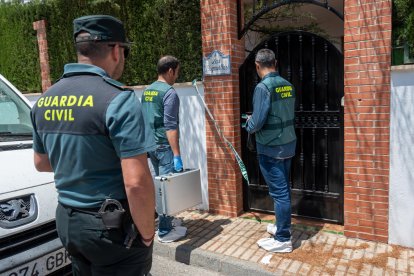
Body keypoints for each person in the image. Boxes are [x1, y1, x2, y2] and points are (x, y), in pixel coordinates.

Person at [31, 15, 156, 275]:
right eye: (125, 51)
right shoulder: (118, 99)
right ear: (115, 50)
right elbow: (136, 183)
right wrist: (146, 233)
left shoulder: (45, 100)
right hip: (110, 227)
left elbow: (41, 163)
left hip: (68, 220)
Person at [244, 48, 296, 253]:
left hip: (270, 148)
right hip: (288, 145)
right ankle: (281, 227)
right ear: (276, 62)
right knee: (284, 190)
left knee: (279, 193)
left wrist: (248, 124)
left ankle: (283, 238)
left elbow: (257, 122)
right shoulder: (288, 85)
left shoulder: (263, 88)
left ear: (257, 66)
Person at [141, 56, 184, 240]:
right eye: (177, 71)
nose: (177, 76)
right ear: (170, 71)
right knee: (166, 188)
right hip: (163, 147)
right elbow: (170, 125)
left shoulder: (147, 91)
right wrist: (176, 154)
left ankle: (165, 220)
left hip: (149, 145)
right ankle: (165, 229)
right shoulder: (169, 93)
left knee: (158, 186)